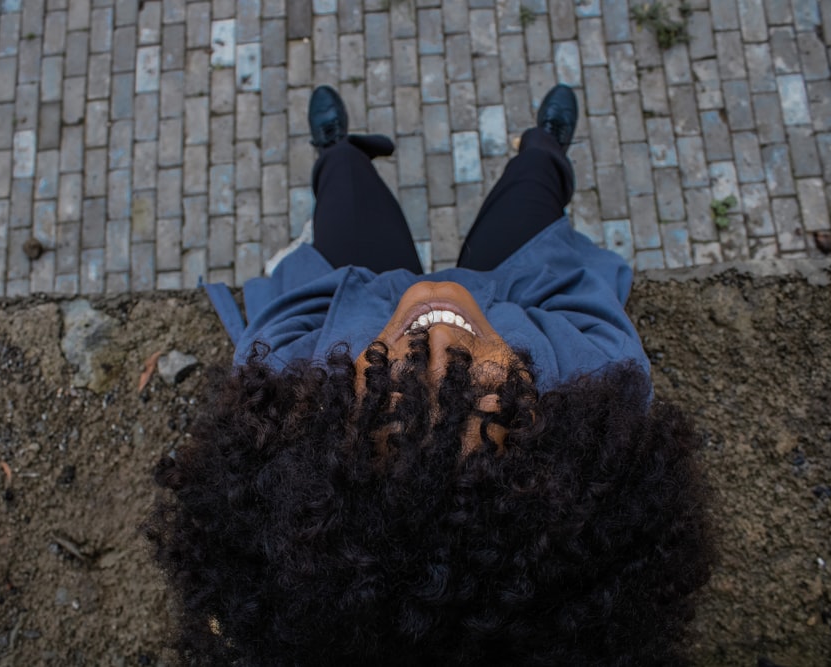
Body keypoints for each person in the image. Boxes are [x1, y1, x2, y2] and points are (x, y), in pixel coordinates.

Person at [146, 84, 713, 666]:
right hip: (519, 281)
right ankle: (545, 146)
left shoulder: (289, 379)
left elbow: (295, 309)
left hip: (359, 285)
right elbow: (576, 292)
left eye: (391, 413)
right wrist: (504, 306)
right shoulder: (601, 379)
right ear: (554, 439)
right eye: (492, 406)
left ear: (318, 446)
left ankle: (339, 150)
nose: (439, 347)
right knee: (534, 190)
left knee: (344, 188)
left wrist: (361, 296)